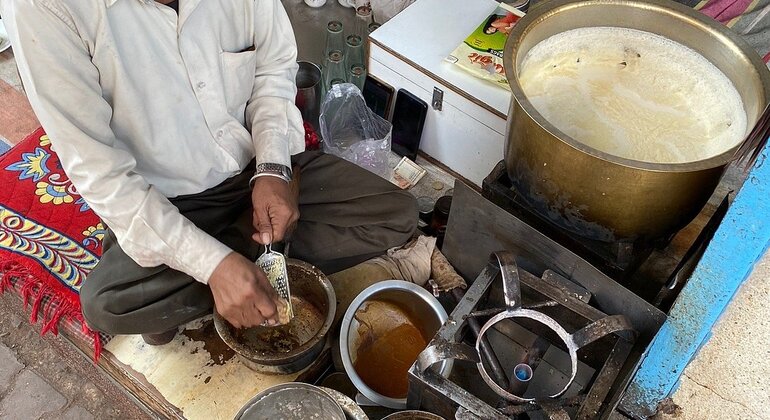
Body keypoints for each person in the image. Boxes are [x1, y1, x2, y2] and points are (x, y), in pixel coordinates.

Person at [1, 0, 417, 344]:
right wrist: (212, 264)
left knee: (395, 213)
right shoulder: (43, 8)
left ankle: (238, 262)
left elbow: (273, 69)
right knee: (107, 303)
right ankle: (246, 260)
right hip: (166, 201)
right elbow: (101, 174)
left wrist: (274, 170)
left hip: (253, 169)